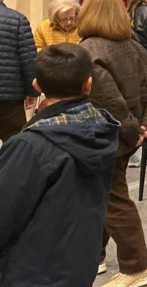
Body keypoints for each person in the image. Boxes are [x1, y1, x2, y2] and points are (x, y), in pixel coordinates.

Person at [0, 44, 119, 286]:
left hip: (31, 271)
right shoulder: (103, 128)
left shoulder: (30, 146)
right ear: (88, 84)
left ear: (37, 85)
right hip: (78, 261)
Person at [78, 0, 147, 287]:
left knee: (113, 198)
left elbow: (108, 101)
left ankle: (137, 266)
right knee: (101, 194)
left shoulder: (89, 49)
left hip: (105, 133)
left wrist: (135, 128)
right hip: (127, 133)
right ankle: (95, 254)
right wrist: (145, 123)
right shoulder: (135, 46)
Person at [0, 0, 38, 142]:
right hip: (10, 97)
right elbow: (28, 59)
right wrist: (32, 91)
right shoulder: (18, 20)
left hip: (11, 94)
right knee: (14, 142)